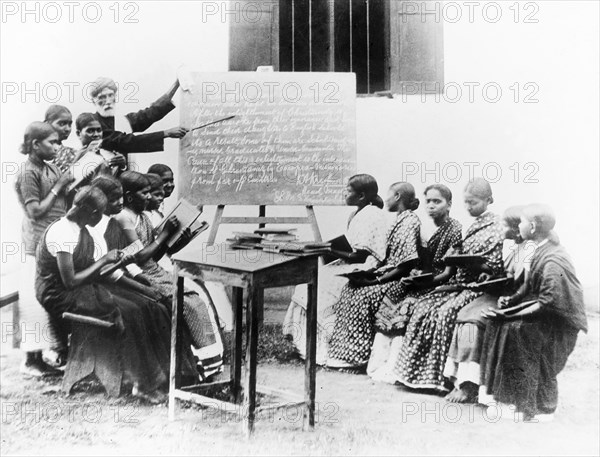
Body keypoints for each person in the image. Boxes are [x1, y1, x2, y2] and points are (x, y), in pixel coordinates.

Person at [35, 186, 189, 402]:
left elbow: (101, 271)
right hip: (58, 293)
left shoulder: (87, 230)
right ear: (92, 213)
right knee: (129, 311)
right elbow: (70, 281)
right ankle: (143, 384)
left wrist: (123, 267)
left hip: (85, 286)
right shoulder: (62, 232)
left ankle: (172, 375)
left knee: (149, 305)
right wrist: (105, 260)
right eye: (101, 212)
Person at [479, 204, 588, 422]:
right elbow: (531, 288)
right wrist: (508, 308)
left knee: (517, 330)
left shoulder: (553, 259)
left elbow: (547, 303)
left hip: (561, 325)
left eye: (521, 221)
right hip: (548, 316)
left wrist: (509, 315)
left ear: (534, 226)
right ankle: (505, 399)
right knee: (498, 324)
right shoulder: (537, 248)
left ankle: (535, 408)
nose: (519, 225)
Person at [393, 178, 505, 390]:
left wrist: (483, 268)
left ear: (489, 200)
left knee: (445, 312)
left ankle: (441, 379)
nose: (469, 207)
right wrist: (455, 256)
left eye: (474, 202)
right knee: (423, 306)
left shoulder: (497, 226)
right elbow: (451, 264)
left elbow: (497, 263)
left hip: (478, 287)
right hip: (458, 282)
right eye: (466, 202)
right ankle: (415, 374)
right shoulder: (470, 226)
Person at [113, 171, 224, 379]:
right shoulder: (123, 218)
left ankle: (208, 363)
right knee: (185, 303)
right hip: (139, 273)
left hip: (154, 269)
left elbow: (155, 253)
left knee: (195, 300)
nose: (148, 197)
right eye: (144, 193)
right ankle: (197, 366)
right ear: (129, 197)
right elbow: (138, 257)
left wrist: (174, 237)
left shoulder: (143, 217)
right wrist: (164, 235)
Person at [282, 174, 389, 365]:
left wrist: (331, 250)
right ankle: (307, 345)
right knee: (311, 279)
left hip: (366, 267)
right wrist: (332, 250)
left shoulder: (372, 215)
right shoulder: (357, 213)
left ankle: (322, 349)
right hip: (353, 262)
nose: (344, 193)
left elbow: (362, 255)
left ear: (362, 195)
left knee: (318, 282)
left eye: (348, 190)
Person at [368, 184, 463, 381]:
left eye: (437, 201)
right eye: (428, 201)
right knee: (392, 297)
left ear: (449, 204)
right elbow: (424, 263)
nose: (431, 206)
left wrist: (423, 282)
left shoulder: (455, 230)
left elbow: (448, 272)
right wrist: (416, 275)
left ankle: (399, 366)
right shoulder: (425, 227)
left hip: (443, 282)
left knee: (409, 304)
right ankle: (380, 363)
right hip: (425, 279)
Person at [443, 206, 536, 403]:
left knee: (474, 322)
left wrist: (510, 298)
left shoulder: (529, 249)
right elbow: (504, 274)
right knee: (464, 314)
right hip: (501, 293)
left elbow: (526, 284)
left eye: (507, 226)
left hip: (517, 298)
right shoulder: (512, 246)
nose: (503, 230)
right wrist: (490, 277)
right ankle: (459, 380)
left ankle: (469, 385)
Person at [326, 182, 422, 371]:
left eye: (388, 194)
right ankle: (344, 354)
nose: (384, 199)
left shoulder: (410, 221)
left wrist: (375, 280)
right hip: (388, 273)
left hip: (401, 280)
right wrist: (368, 274)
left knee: (363, 296)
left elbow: (406, 265)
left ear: (397, 197)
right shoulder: (399, 219)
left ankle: (358, 356)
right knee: (350, 289)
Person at [15, 121, 74, 376]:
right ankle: (31, 360)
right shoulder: (28, 172)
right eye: (52, 142)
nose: (57, 146)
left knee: (49, 300)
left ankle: (54, 352)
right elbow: (35, 210)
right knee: (33, 301)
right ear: (35, 144)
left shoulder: (49, 168)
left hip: (51, 242)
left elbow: (59, 200)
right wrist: (60, 186)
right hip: (36, 245)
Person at [89, 77, 188, 162]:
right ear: (93, 101)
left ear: (115, 96)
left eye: (110, 95)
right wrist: (166, 133)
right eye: (102, 97)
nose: (108, 101)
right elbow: (125, 142)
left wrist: (176, 84)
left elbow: (149, 114)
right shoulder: (93, 124)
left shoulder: (121, 121)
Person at [45, 105, 78, 173]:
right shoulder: (38, 155)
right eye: (62, 123)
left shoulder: (72, 153)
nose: (68, 129)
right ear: (47, 124)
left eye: (70, 124)